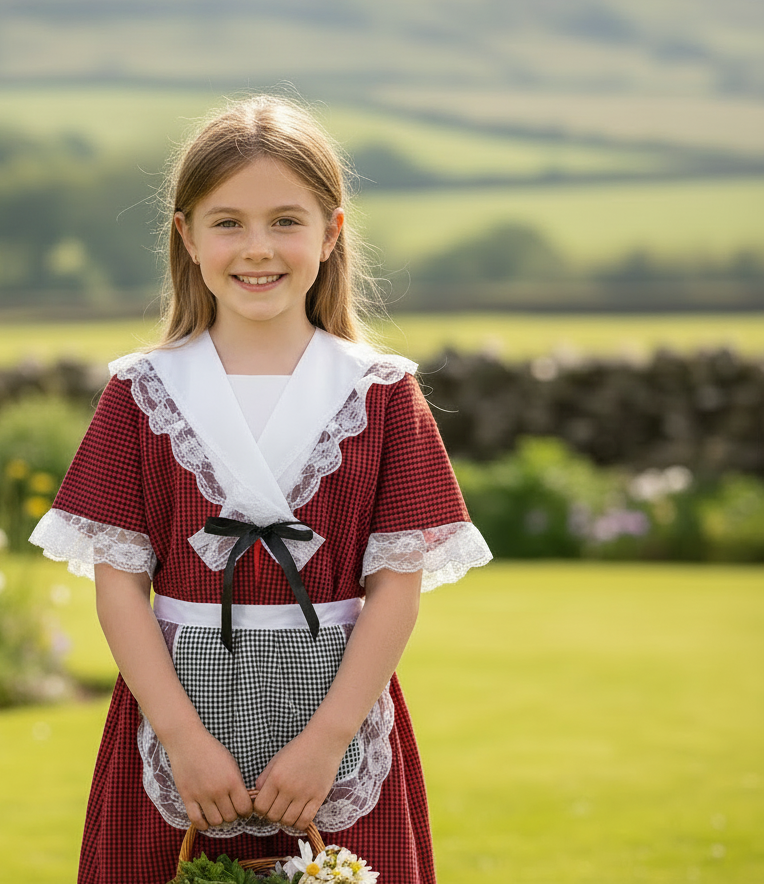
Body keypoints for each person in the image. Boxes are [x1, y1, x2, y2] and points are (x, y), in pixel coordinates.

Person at [30, 96, 492, 884]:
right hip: (174, 732)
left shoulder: (379, 393)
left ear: (331, 232)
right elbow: (118, 588)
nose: (257, 248)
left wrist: (326, 745)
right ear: (186, 234)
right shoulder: (141, 391)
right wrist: (183, 741)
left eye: (286, 220)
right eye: (227, 222)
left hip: (336, 734)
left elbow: (396, 590)